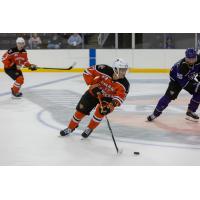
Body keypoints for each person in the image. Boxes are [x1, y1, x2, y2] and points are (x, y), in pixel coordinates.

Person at [60, 58, 130, 138]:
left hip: (107, 99)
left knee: (100, 113)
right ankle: (70, 128)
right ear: (115, 69)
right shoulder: (104, 69)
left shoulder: (125, 84)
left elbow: (119, 98)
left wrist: (110, 106)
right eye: (121, 70)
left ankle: (89, 128)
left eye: (124, 70)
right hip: (93, 93)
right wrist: (93, 84)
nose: (123, 72)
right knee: (80, 111)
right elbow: (87, 72)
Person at [147, 48, 200, 122]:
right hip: (176, 80)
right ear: (185, 58)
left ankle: (190, 111)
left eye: (193, 59)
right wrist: (197, 86)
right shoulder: (181, 67)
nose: (191, 61)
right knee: (168, 97)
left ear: (196, 57)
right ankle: (155, 114)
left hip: (187, 77)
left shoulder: (199, 59)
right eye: (189, 59)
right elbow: (184, 84)